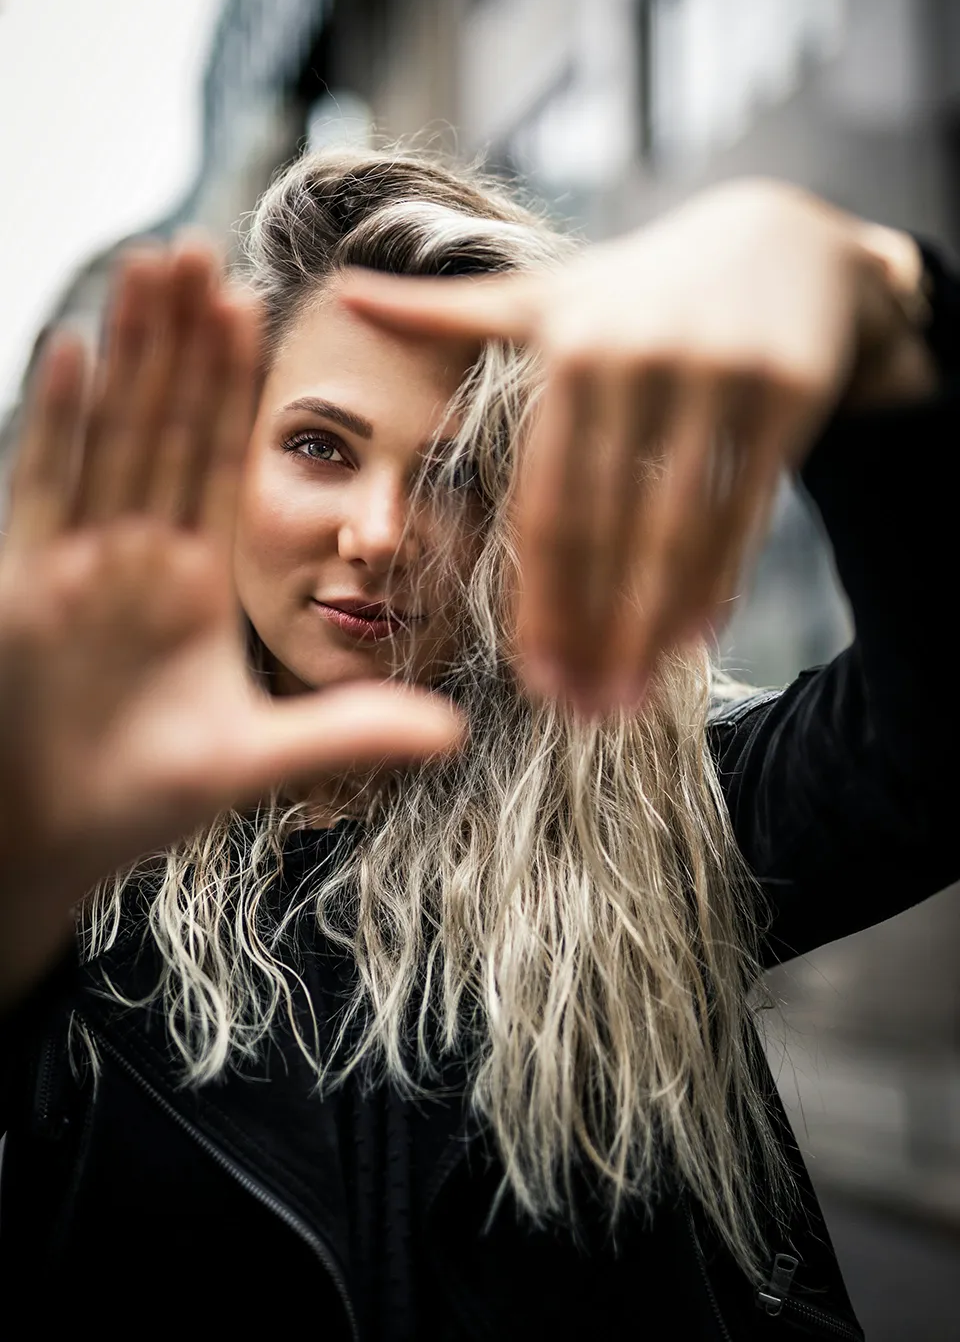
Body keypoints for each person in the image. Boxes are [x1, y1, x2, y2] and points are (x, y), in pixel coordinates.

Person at [0, 147, 956, 1340]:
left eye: (455, 474)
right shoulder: (72, 845)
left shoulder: (662, 812)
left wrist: (882, 320)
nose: (379, 532)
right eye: (320, 445)